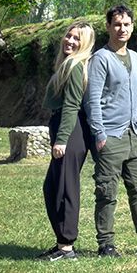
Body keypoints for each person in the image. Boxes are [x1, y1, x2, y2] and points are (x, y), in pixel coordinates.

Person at [84, 4, 137, 257]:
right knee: (107, 191)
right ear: (109, 27)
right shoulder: (101, 58)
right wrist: (99, 135)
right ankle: (106, 243)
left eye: (127, 24)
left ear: (132, 27)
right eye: (117, 24)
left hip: (134, 136)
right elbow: (93, 100)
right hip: (110, 136)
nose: (122, 29)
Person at [40, 21, 97, 259]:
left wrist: (61, 140)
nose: (70, 41)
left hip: (71, 132)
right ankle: (62, 241)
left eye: (77, 39)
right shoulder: (66, 64)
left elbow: (72, 106)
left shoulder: (75, 66)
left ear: (85, 44)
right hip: (65, 128)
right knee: (52, 187)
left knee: (65, 188)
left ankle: (67, 247)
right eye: (69, 36)